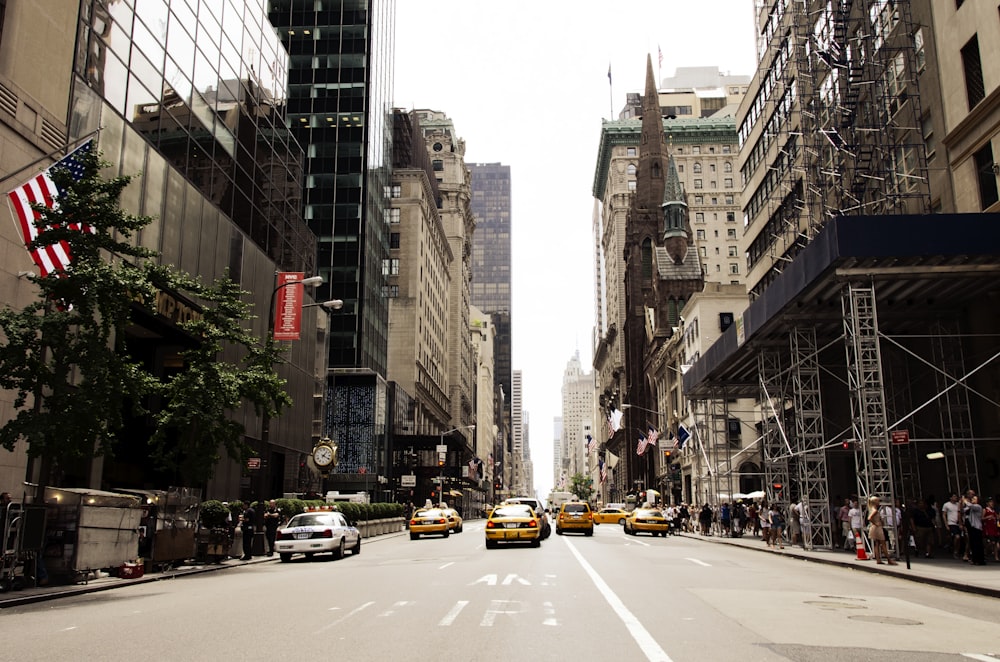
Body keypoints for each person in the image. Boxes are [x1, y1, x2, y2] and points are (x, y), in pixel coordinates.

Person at [867, 496, 896, 565]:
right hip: (877, 528)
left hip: (874, 527)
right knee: (883, 544)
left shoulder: (872, 508)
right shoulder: (875, 510)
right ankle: (888, 560)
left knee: (877, 544)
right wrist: (876, 523)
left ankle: (878, 559)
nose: (879, 502)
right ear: (875, 502)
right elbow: (869, 518)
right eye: (878, 501)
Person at [941, 493, 964, 559]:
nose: (955, 498)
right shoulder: (946, 505)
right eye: (954, 496)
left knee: (960, 538)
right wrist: (946, 524)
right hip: (951, 523)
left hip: (958, 523)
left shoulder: (958, 505)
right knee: (957, 537)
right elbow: (944, 515)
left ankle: (957, 550)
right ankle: (955, 551)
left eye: (956, 496)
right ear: (950, 498)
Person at [965, 495, 985, 566]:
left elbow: (970, 506)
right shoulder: (971, 507)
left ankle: (980, 560)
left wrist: (965, 500)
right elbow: (964, 510)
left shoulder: (978, 506)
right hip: (972, 527)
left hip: (977, 527)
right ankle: (974, 559)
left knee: (978, 545)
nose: (972, 499)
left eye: (974, 498)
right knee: (973, 544)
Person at [983, 498, 999, 562]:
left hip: (994, 528)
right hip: (988, 528)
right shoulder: (985, 510)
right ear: (987, 503)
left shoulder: (994, 511)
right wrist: (987, 517)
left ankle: (996, 557)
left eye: (992, 502)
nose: (992, 503)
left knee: (996, 543)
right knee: (991, 542)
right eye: (990, 502)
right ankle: (985, 552)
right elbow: (982, 518)